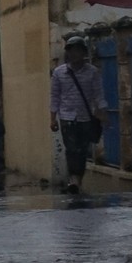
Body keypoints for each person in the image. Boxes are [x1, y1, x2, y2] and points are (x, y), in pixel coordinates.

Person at [51, 34, 106, 194]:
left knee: (82, 150)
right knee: (71, 148)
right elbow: (54, 96)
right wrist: (52, 119)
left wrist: (102, 113)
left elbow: (98, 94)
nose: (73, 54)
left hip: (86, 117)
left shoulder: (92, 72)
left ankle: (77, 180)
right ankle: (74, 180)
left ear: (83, 52)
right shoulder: (59, 73)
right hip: (67, 117)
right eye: (70, 51)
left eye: (77, 51)